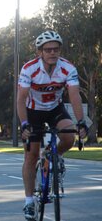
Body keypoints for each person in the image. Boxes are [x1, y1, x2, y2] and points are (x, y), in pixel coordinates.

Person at [17, 30, 88, 220]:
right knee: (31, 156)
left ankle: (51, 155)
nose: (52, 53)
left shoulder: (67, 68)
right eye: (48, 50)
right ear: (40, 52)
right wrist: (24, 124)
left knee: (68, 136)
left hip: (55, 108)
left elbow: (74, 95)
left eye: (56, 49)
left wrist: (81, 121)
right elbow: (21, 99)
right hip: (33, 111)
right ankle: (29, 202)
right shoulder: (29, 69)